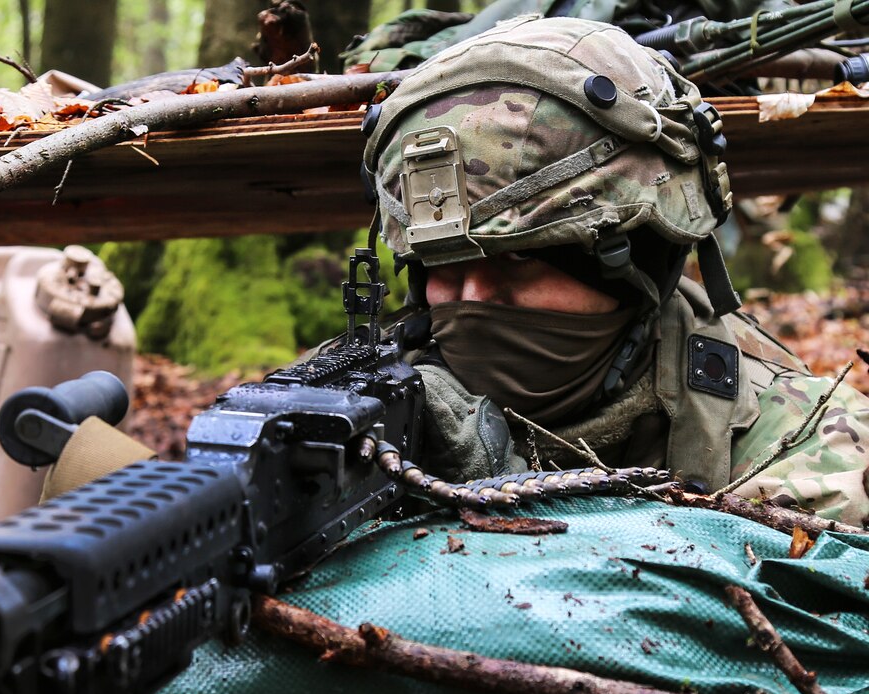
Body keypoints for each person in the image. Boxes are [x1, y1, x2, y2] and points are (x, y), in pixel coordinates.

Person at [357, 13, 869, 526]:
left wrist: (498, 501)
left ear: (641, 258)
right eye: (441, 264)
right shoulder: (352, 400)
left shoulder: (804, 436)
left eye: (519, 257)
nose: (473, 296)